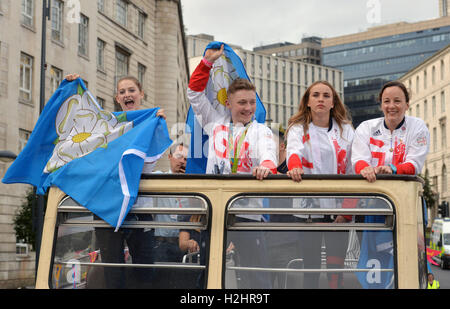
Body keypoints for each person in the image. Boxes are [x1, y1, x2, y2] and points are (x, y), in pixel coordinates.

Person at [187, 44, 277, 288]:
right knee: (208, 272)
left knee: (256, 277)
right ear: (228, 103)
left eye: (251, 103)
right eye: (241, 103)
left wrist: (266, 167)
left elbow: (269, 155)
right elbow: (194, 94)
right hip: (216, 211)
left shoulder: (260, 130)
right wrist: (206, 63)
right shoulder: (215, 125)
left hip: (248, 216)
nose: (248, 108)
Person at [64, 73, 165, 288]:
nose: (127, 94)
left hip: (140, 209)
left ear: (141, 95)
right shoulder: (108, 127)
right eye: (122, 92)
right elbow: (80, 119)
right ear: (117, 98)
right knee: (112, 271)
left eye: (131, 90)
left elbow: (147, 166)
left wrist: (156, 124)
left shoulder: (151, 122)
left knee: (145, 269)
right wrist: (73, 87)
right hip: (108, 206)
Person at [286, 80, 355, 289]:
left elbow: (354, 168)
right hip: (308, 211)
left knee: (336, 273)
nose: (321, 99)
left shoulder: (346, 130)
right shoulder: (298, 128)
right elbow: (293, 152)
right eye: (315, 95)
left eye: (326, 95)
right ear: (308, 101)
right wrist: (295, 166)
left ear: (333, 102)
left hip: (338, 212)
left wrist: (347, 212)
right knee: (311, 269)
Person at [351, 80, 430, 182]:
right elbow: (359, 159)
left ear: (407, 105)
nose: (391, 106)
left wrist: (393, 169)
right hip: (371, 190)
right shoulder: (365, 127)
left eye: (397, 101)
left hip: (403, 191)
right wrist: (366, 169)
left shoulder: (418, 127)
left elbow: (414, 164)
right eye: (386, 101)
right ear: (381, 105)